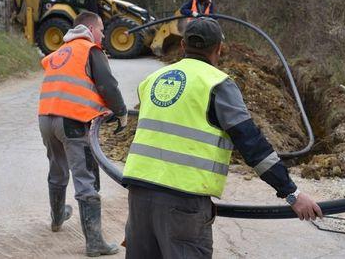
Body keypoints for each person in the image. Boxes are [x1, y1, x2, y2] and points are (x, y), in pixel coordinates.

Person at [122, 17, 323, 258]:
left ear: (183, 46)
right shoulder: (217, 84)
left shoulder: (152, 81)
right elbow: (253, 146)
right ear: (219, 49)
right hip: (183, 200)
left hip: (138, 194)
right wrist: (292, 193)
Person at [38, 11, 127, 257]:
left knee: (57, 169)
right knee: (85, 177)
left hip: (46, 118)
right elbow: (107, 84)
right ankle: (95, 243)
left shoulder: (60, 53)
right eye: (100, 30)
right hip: (73, 121)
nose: (103, 35)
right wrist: (120, 111)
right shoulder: (90, 50)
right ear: (89, 29)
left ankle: (57, 218)